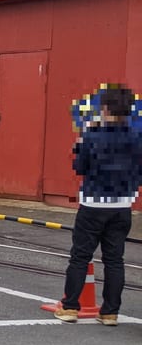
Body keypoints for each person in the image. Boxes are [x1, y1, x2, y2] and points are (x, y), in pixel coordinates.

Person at [52, 84, 142, 325]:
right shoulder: (136, 137)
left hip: (93, 202)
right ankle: (110, 312)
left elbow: (80, 167)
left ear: (104, 108)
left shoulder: (92, 134)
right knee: (115, 259)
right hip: (122, 205)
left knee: (81, 256)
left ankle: (70, 307)